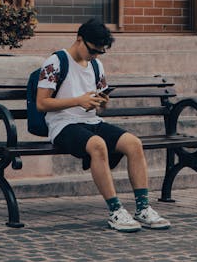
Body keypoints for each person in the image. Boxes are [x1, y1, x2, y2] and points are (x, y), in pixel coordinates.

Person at [36, 17, 171, 232]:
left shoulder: (96, 65)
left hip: (91, 120)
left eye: (100, 52)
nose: (96, 55)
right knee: (97, 145)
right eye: (93, 50)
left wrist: (101, 103)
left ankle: (143, 208)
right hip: (62, 124)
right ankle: (116, 211)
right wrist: (78, 100)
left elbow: (99, 108)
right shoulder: (55, 62)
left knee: (134, 143)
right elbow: (41, 103)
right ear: (79, 39)